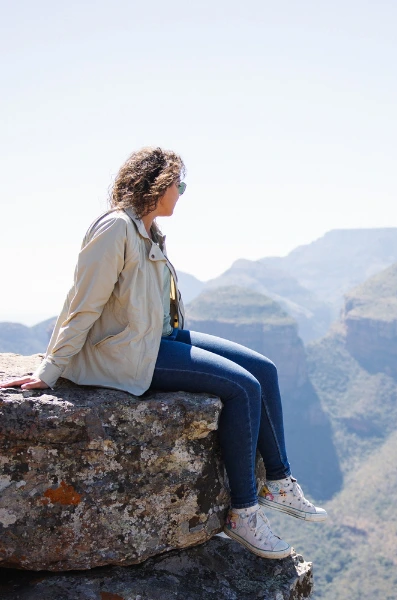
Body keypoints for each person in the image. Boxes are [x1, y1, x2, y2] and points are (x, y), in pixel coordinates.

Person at [0, 147, 326, 560]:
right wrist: (50, 370)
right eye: (179, 185)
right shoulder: (115, 229)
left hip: (159, 338)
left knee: (265, 368)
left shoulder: (146, 230)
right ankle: (243, 512)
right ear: (157, 184)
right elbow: (84, 304)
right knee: (242, 387)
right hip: (128, 354)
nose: (181, 193)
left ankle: (278, 482)